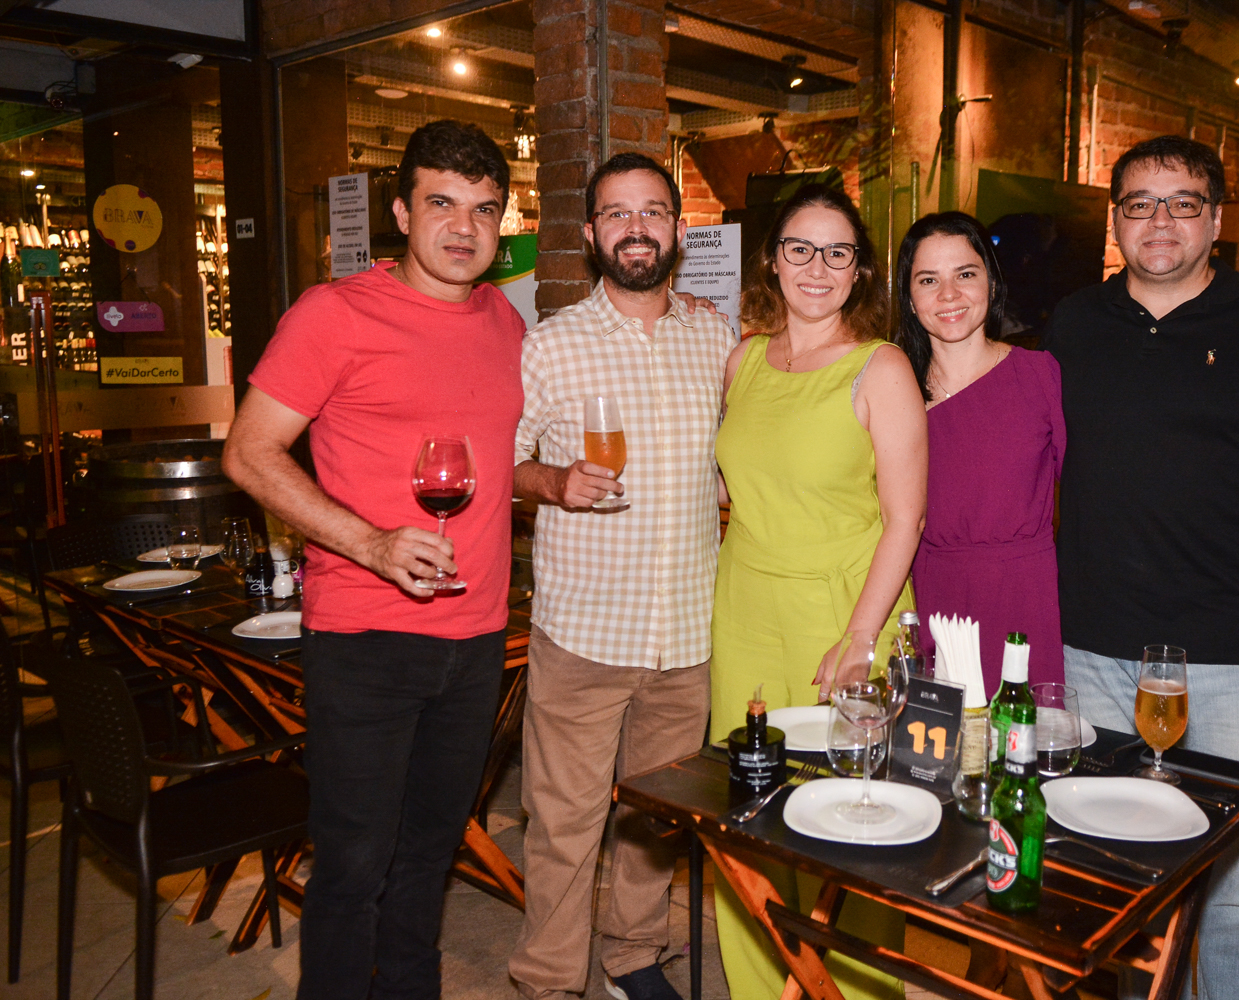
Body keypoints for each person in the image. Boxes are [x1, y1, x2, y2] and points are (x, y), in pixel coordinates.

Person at [1040, 135, 1239, 1000]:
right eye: (1139, 204)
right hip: (1090, 653)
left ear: (1215, 221)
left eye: (1182, 203)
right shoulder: (1073, 323)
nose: (1160, 221)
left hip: (1233, 661)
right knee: (1104, 876)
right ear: (1115, 221)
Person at [222, 120, 524, 999]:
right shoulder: (334, 313)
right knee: (353, 867)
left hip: (476, 637)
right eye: (442, 204)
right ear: (400, 212)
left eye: (484, 209)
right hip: (365, 639)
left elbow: (500, 463)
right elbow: (248, 453)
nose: (463, 227)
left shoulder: (504, 321)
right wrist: (371, 544)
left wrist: (557, 481)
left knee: (428, 858)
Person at [508, 152, 738, 1000]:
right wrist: (552, 482)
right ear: (589, 233)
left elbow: (733, 461)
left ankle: (633, 958)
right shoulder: (549, 345)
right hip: (584, 634)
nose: (635, 228)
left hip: (687, 635)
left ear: (678, 228)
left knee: (654, 823)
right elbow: (503, 465)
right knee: (562, 825)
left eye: (652, 211)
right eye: (616, 213)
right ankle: (546, 979)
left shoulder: (716, 338)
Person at [711, 183, 926, 1000]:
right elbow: (740, 485)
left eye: (837, 253)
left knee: (851, 824)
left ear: (859, 270)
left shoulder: (881, 367)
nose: (816, 267)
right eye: (799, 248)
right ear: (772, 260)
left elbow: (905, 518)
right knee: (748, 814)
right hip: (746, 608)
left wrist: (862, 636)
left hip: (846, 614)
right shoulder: (743, 360)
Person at [892, 211, 1065, 694]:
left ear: (991, 281)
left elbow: (1087, 499)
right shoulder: (891, 390)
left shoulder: (1039, 376)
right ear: (909, 297)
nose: (949, 295)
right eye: (929, 280)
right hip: (927, 599)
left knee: (1021, 736)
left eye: (965, 274)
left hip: (1024, 601)